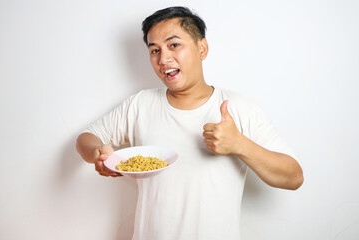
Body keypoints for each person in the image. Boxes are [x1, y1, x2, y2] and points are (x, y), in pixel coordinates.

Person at [76, 6, 304, 240]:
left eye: (174, 45)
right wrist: (97, 154)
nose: (163, 59)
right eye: (154, 50)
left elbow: (294, 177)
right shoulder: (140, 105)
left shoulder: (237, 107)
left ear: (202, 48)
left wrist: (239, 144)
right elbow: (87, 136)